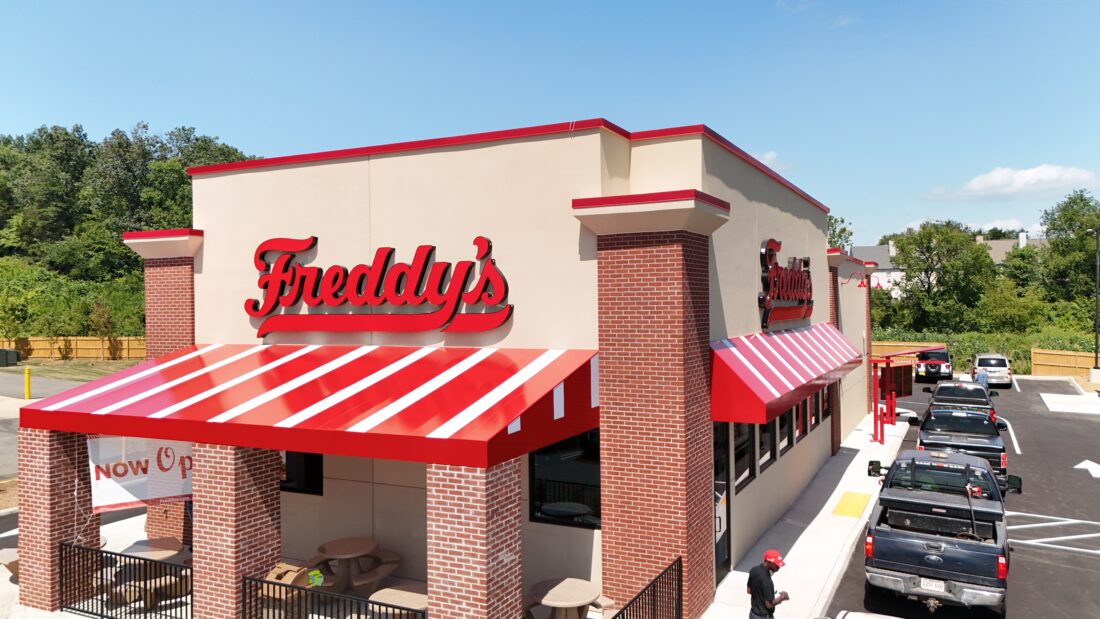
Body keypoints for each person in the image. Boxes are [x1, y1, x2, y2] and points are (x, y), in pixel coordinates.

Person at [746, 548, 789, 619]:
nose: (779, 567)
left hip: (753, 614)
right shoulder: (767, 581)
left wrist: (764, 594)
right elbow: (769, 605)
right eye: (776, 564)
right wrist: (781, 598)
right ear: (769, 562)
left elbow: (749, 590)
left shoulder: (754, 570)